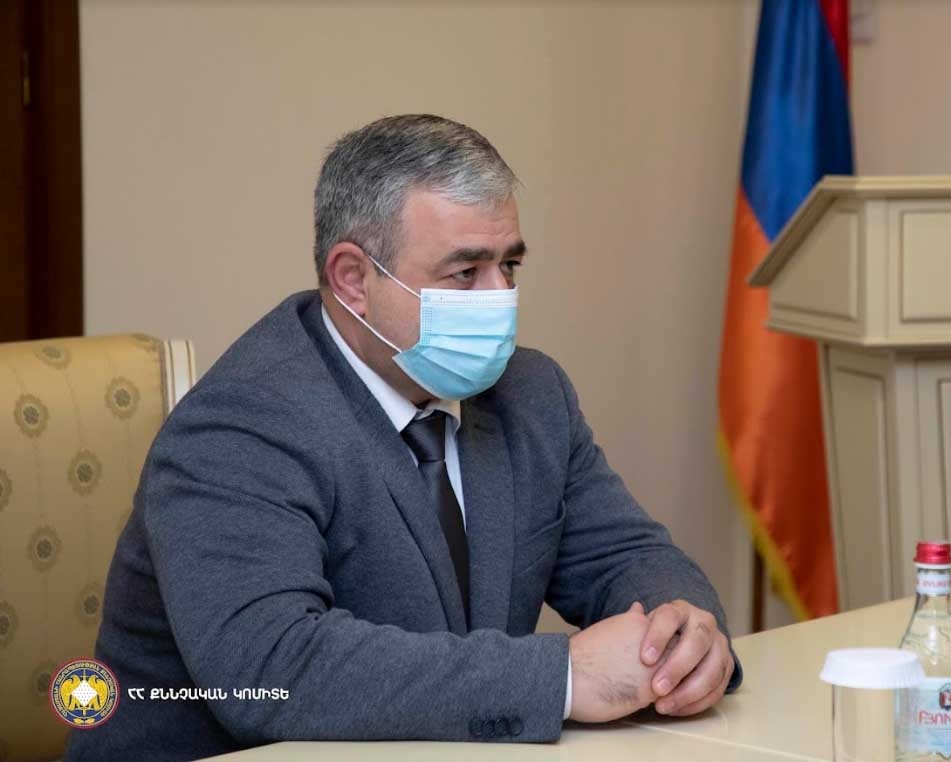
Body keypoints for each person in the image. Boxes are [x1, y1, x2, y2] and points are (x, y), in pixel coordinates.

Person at [67, 114, 741, 761]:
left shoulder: (531, 394)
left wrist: (682, 633)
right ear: (353, 280)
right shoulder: (241, 422)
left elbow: (626, 554)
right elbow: (270, 669)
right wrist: (563, 677)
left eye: (510, 266)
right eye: (465, 272)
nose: (499, 298)